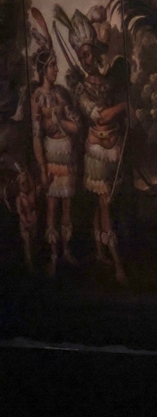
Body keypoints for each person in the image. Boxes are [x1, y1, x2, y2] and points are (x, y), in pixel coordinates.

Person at [70, 10, 127, 285]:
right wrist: (124, 106)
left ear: (94, 52)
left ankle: (99, 251)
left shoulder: (107, 83)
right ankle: (117, 263)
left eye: (88, 55)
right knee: (103, 203)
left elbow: (115, 118)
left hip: (113, 149)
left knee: (102, 202)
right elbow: (100, 117)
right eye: (81, 58)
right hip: (95, 152)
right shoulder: (81, 90)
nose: (85, 61)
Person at [31, 49, 78, 274]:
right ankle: (53, 255)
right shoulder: (36, 98)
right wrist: (42, 169)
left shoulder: (60, 94)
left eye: (56, 65)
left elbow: (75, 125)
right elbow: (36, 136)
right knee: (51, 206)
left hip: (66, 152)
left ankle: (66, 250)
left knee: (67, 204)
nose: (56, 70)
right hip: (50, 154)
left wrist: (63, 121)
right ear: (43, 69)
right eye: (52, 66)